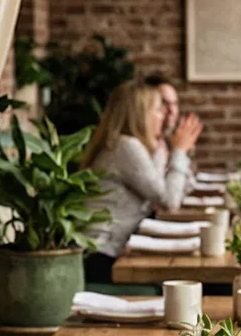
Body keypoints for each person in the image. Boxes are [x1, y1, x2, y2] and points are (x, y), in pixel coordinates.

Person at [81, 79, 202, 283]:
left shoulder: (129, 145)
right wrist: (179, 152)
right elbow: (170, 200)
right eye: (157, 110)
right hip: (102, 257)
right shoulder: (126, 147)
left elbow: (178, 189)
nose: (163, 116)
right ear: (139, 115)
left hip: (113, 252)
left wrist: (171, 151)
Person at [143, 73, 182, 168]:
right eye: (164, 103)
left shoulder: (169, 141)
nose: (172, 111)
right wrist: (180, 152)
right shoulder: (140, 147)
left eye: (174, 103)